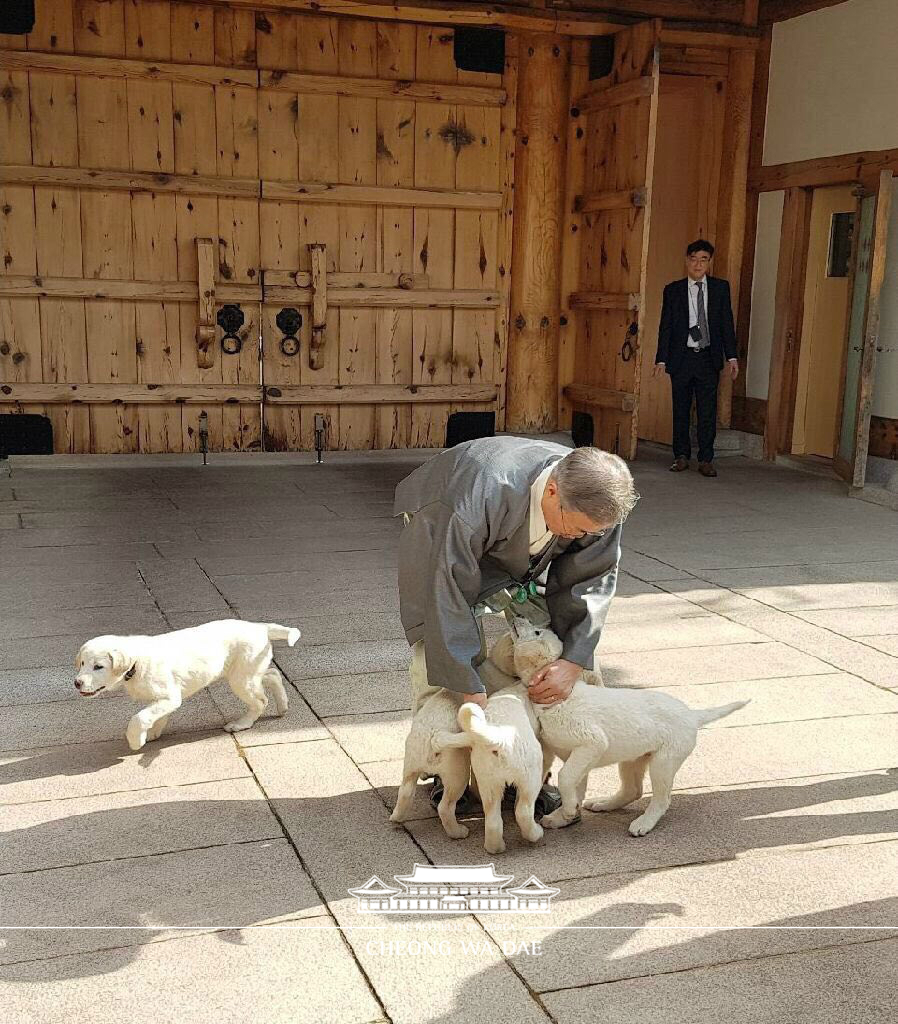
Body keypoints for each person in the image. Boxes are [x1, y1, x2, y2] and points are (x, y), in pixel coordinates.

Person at [394, 436, 639, 814]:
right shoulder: (476, 496)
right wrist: (467, 692)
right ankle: (446, 770)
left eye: (590, 532)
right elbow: (448, 590)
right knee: (437, 651)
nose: (581, 538)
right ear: (553, 490)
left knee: (559, 648)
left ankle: (528, 770)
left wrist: (572, 661)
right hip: (440, 522)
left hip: (525, 541)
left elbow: (592, 580)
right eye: (575, 529)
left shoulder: (598, 505)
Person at [654, 239, 739, 477]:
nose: (698, 264)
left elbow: (726, 324)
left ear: (710, 262)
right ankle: (680, 456)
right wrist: (661, 359)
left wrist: (731, 356)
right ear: (686, 261)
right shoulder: (673, 290)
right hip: (682, 358)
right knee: (680, 409)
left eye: (703, 259)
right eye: (693, 259)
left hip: (708, 358)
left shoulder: (720, 288)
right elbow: (666, 326)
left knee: (707, 410)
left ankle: (706, 458)